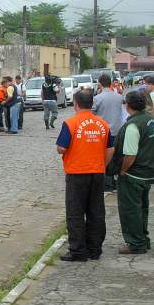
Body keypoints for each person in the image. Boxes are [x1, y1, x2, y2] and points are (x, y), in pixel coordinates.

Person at [55, 90, 113, 262]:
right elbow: (110, 148)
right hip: (97, 172)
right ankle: (95, 249)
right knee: (96, 211)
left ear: (75, 104)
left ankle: (78, 251)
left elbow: (62, 148)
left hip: (77, 173)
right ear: (91, 104)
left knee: (75, 213)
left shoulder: (70, 123)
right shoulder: (103, 124)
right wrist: (102, 164)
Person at [107, 90, 154, 254]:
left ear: (128, 106)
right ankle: (143, 239)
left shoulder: (133, 125)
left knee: (131, 210)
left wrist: (122, 171)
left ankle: (135, 243)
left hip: (133, 174)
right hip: (147, 172)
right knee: (142, 208)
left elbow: (130, 154)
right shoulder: (150, 120)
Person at [92, 74, 125, 191]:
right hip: (117, 130)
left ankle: (107, 183)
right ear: (110, 83)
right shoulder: (118, 97)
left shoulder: (97, 98)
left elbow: (92, 114)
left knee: (103, 157)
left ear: (100, 83)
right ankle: (114, 181)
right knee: (115, 156)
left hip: (103, 131)